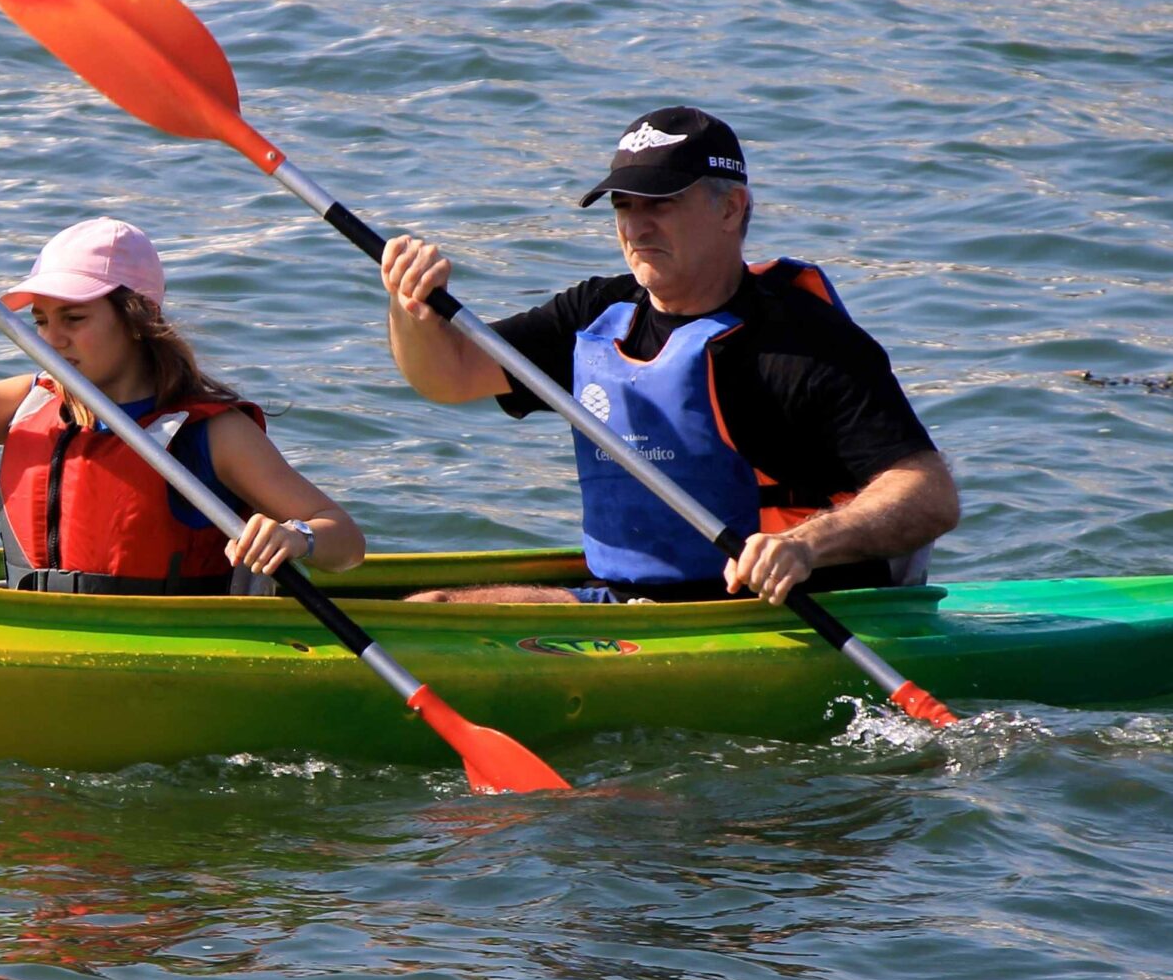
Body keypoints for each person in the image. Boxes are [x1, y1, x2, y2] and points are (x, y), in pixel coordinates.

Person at [378, 106, 958, 606]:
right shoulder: (596, 313)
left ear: (731, 208)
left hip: (778, 607)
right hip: (636, 600)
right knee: (434, 604)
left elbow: (928, 493)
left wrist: (806, 545)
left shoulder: (804, 342)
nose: (636, 225)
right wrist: (410, 307)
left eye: (661, 202)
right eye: (623, 207)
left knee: (437, 607)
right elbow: (448, 376)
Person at [0, 215, 364, 593]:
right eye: (42, 321)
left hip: (162, 649)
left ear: (137, 317)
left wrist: (298, 536)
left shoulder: (213, 434)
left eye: (74, 317)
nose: (54, 339)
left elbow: (346, 541)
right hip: (42, 627)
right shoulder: (30, 402)